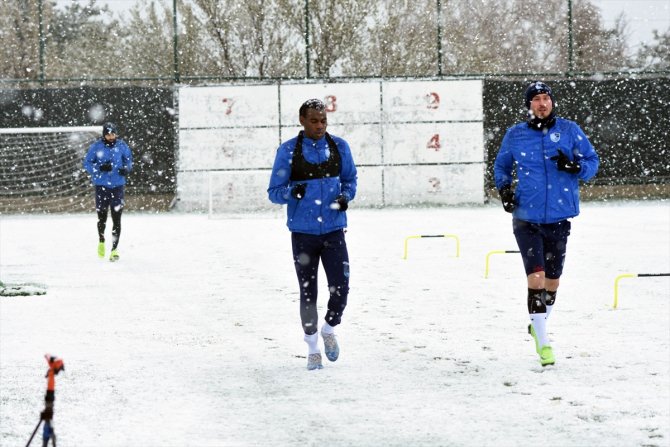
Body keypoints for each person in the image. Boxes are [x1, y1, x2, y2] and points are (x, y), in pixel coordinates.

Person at [493, 81, 599, 367]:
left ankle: (537, 322)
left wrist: (577, 168)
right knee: (536, 279)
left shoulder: (569, 130)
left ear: (552, 102)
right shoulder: (515, 135)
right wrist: (504, 190)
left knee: (552, 282)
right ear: (529, 105)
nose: (542, 103)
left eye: (546, 98)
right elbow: (501, 166)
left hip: (559, 216)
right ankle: (543, 343)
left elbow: (592, 161)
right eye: (536, 99)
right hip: (526, 218)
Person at [268, 99, 358, 370]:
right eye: (314, 121)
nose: (319, 126)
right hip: (303, 234)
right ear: (302, 120)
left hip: (333, 231)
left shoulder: (339, 147)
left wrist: (345, 196)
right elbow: (274, 192)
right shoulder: (287, 152)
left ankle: (329, 329)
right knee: (309, 293)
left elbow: (350, 180)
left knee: (341, 290)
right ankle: (312, 347)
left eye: (323, 121)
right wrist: (290, 193)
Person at [83, 122, 133, 262]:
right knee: (102, 217)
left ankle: (114, 249)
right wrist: (99, 168)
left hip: (118, 186)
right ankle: (101, 241)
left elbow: (129, 161)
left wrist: (126, 169)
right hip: (101, 186)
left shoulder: (122, 146)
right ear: (104, 135)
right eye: (108, 134)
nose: (111, 137)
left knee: (117, 218)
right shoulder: (96, 147)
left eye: (112, 134)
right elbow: (87, 163)